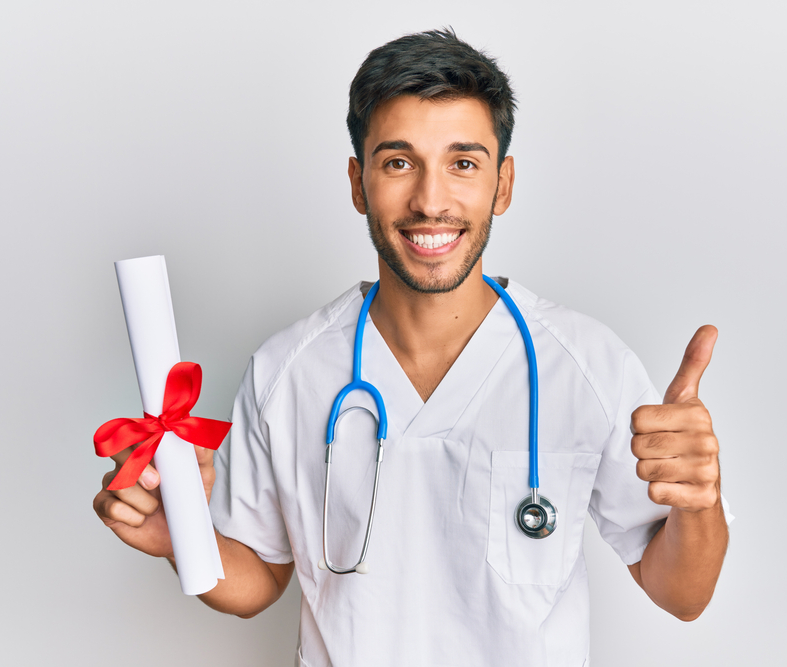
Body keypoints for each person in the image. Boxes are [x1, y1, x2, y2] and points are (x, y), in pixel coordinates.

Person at [94, 28, 730, 666]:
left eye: (463, 163)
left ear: (502, 185)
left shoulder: (587, 365)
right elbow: (259, 579)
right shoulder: (288, 370)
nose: (431, 200)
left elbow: (683, 594)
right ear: (358, 181)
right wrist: (181, 539)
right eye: (399, 162)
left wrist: (701, 501)